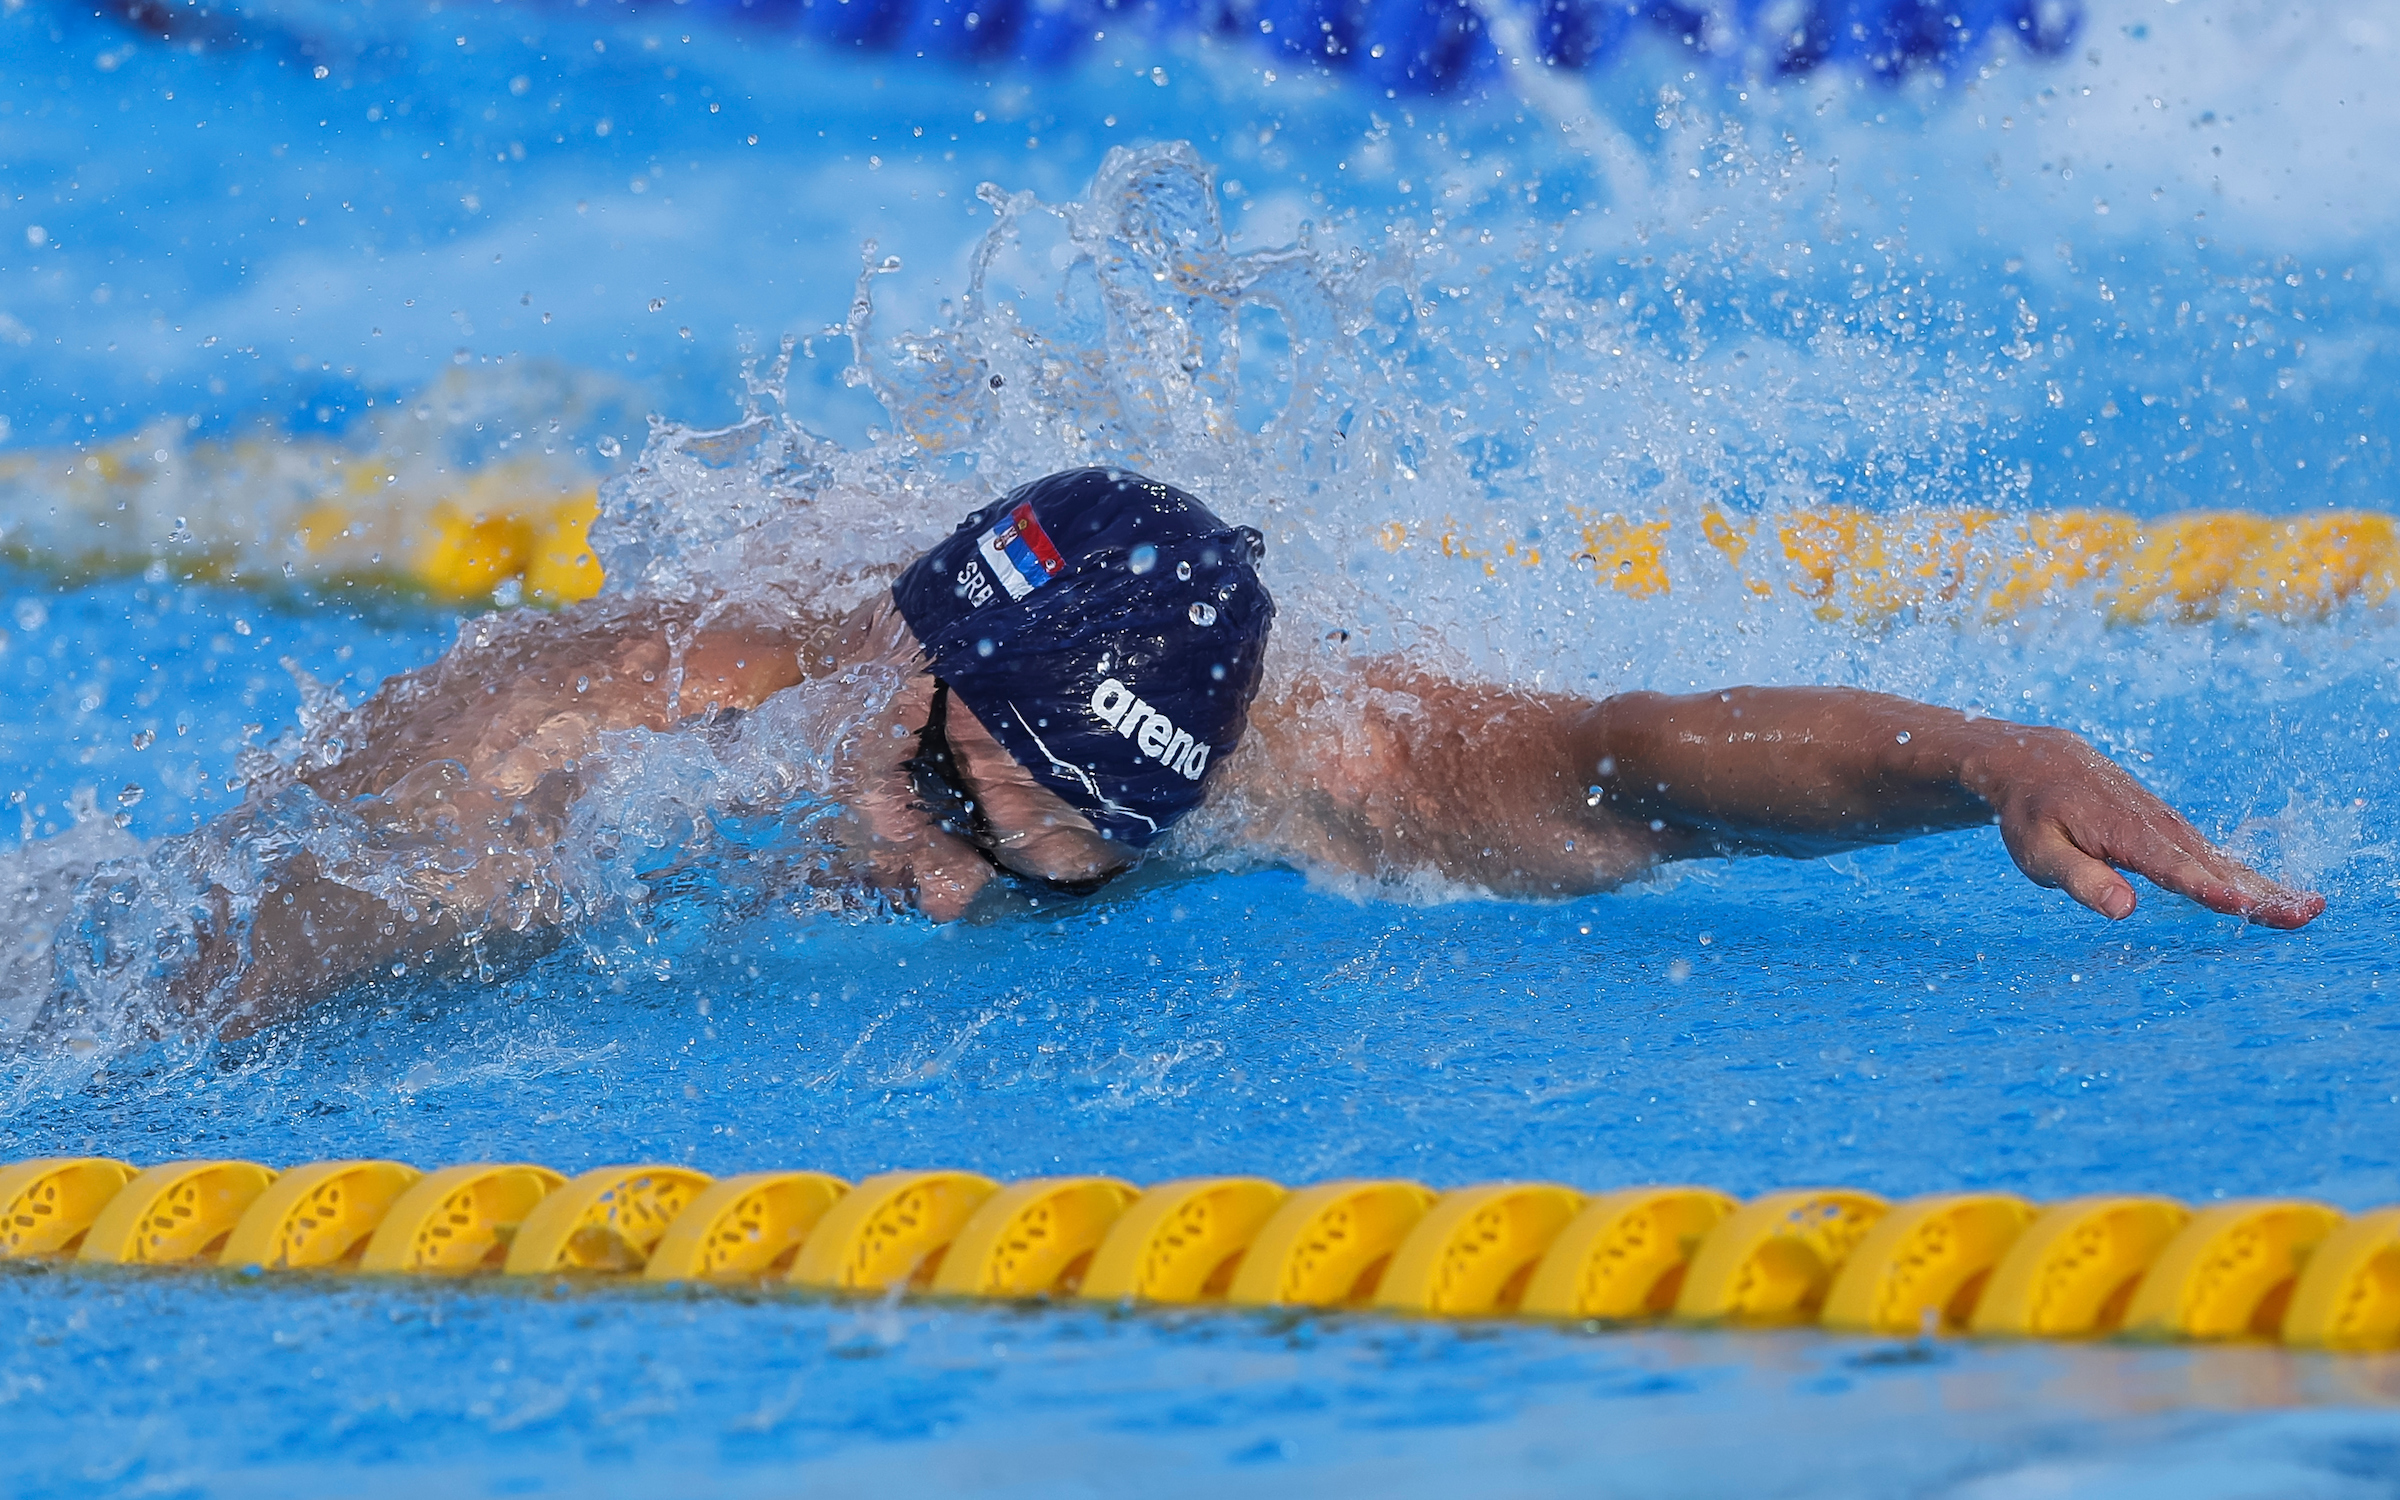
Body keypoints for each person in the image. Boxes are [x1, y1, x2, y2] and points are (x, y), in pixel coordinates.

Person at [67, 467, 2322, 1040]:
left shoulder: (1323, 759)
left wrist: (1994, 755)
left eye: (1033, 848)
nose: (940, 862)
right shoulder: (593, 736)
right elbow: (179, 959)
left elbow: (1651, 754)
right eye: (936, 788)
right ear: (923, 671)